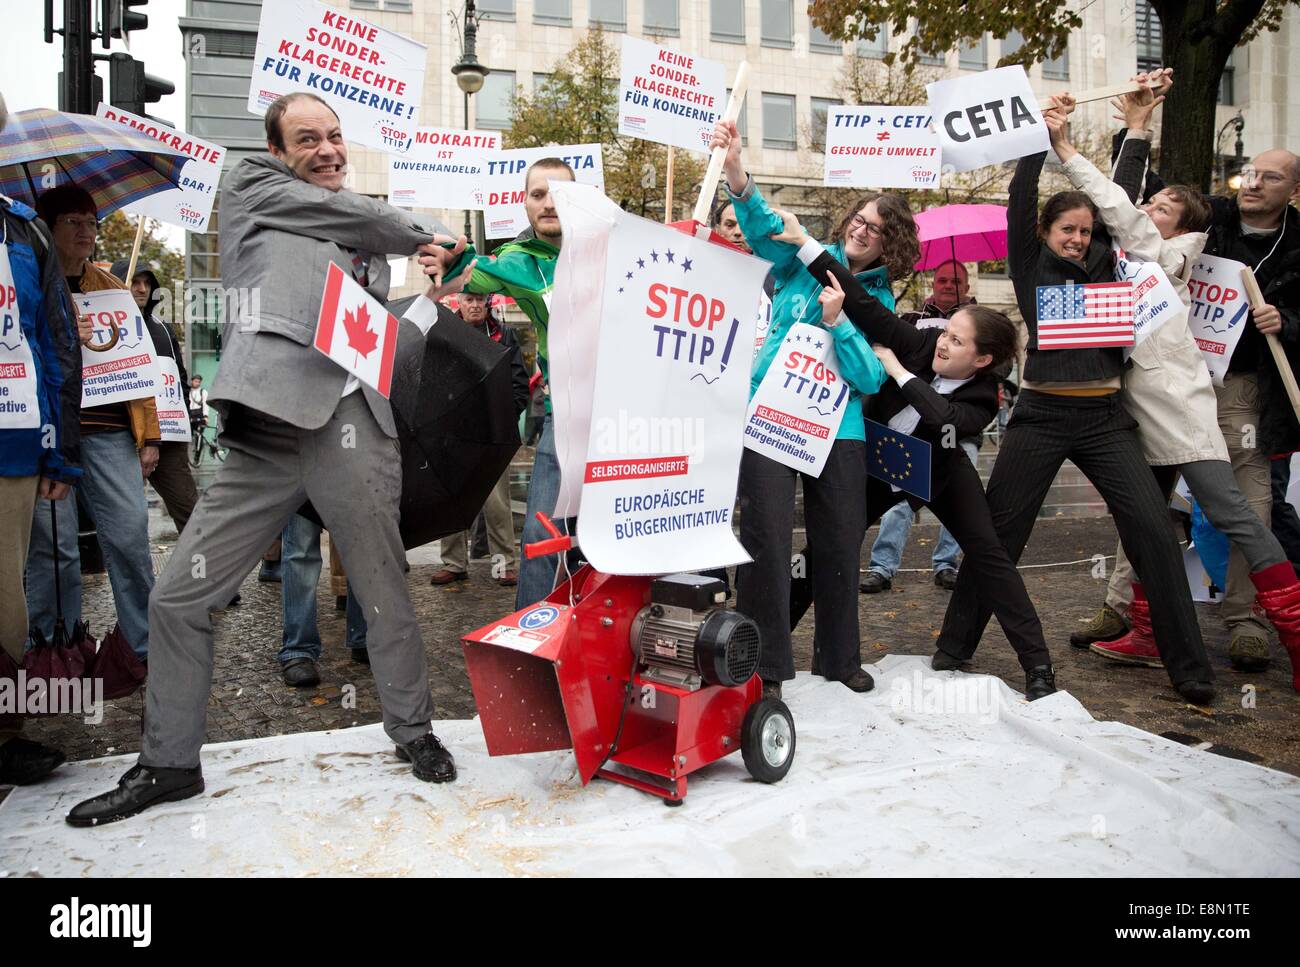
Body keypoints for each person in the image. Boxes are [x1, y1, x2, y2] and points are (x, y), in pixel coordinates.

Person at [67, 92, 470, 827]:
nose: (328, 149)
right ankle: (168, 761)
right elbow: (368, 221)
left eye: (337, 136)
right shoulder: (254, 186)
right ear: (278, 152)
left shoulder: (363, 231)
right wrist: (432, 234)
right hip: (266, 435)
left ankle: (414, 731)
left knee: (383, 594)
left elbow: (370, 332)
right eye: (308, 138)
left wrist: (437, 298)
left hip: (353, 429)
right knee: (178, 596)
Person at [933, 98, 1217, 706]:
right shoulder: (1030, 260)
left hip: (1106, 421)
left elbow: (1122, 197)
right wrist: (1038, 136)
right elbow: (1023, 194)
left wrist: (1135, 137)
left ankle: (1190, 669)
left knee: (1152, 531)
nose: (1078, 238)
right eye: (1068, 230)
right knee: (997, 536)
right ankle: (953, 646)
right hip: (1039, 417)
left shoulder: (1118, 260)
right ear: (1046, 233)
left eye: (1086, 232)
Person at [1061, 83, 1300, 689]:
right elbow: (1116, 201)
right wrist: (1136, 128)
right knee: (1147, 517)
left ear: (1180, 227)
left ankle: (1293, 629)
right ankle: (1144, 627)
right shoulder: (1132, 251)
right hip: (1135, 411)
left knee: (1232, 511)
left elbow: (1116, 205)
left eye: (1161, 205)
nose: (1148, 206)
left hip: (1180, 409)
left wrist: (1065, 148)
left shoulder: (1167, 256)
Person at [777, 215, 1058, 699]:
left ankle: (1038, 666)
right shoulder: (922, 343)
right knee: (824, 550)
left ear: (983, 360)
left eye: (957, 341)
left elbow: (945, 417)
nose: (944, 344)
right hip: (881, 466)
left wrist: (896, 370)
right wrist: (806, 244)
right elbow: (864, 305)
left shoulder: (984, 394)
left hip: (940, 474)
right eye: (946, 333)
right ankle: (765, 645)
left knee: (991, 557)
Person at [711, 119, 918, 697]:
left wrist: (840, 324)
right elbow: (764, 226)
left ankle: (839, 657)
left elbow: (872, 374)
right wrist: (736, 171)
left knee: (836, 544)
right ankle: (765, 664)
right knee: (766, 541)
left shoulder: (878, 301)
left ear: (890, 245)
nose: (862, 229)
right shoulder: (807, 258)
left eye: (876, 228)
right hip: (773, 417)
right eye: (859, 218)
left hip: (842, 430)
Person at [433, 158, 577, 610]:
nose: (549, 202)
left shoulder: (619, 245)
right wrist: (445, 260)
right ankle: (528, 642)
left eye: (559, 193)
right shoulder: (520, 263)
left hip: (629, 422)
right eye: (538, 194)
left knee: (613, 538)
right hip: (567, 420)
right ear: (525, 204)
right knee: (542, 535)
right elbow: (463, 274)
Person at [26, 185, 161, 663]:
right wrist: (58, 331)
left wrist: (148, 436)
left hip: (109, 434)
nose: (86, 232)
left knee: (128, 537)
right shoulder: (29, 286)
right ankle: (55, 648)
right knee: (55, 551)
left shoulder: (113, 288)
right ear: (48, 228)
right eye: (74, 222)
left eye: (92, 222)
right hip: (50, 439)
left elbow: (139, 368)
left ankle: (144, 646)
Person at [0, 91, 86, 784]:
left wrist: (59, 449)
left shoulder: (25, 231)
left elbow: (53, 344)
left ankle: (5, 734)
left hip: (14, 444)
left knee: (6, 602)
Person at [862, 259, 979, 594]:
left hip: (956, 432)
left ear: (966, 287)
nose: (947, 286)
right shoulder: (912, 319)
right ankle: (882, 567)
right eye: (942, 280)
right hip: (909, 430)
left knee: (958, 502)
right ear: (933, 284)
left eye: (955, 281)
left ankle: (946, 563)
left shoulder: (981, 325)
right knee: (898, 501)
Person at [431, 291, 529, 588]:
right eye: (468, 300)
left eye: (479, 300)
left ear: (487, 303)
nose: (474, 305)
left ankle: (503, 564)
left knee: (496, 502)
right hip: (455, 431)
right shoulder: (445, 332)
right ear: (457, 303)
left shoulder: (504, 335)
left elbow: (519, 384)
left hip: (491, 432)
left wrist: (500, 417)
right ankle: (454, 563)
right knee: (452, 498)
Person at [110, 260, 200, 534]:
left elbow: (179, 380)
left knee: (192, 515)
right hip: (122, 438)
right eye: (135, 282)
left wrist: (180, 420)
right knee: (125, 521)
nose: (142, 289)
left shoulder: (162, 328)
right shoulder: (104, 327)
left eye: (147, 283)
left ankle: (201, 574)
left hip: (168, 438)